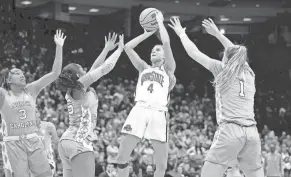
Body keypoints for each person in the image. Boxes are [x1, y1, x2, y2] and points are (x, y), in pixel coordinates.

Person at [169, 17, 264, 177]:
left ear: (226, 58)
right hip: (252, 133)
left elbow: (194, 52)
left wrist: (181, 34)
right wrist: (218, 35)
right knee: (255, 173)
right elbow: (237, 52)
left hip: (230, 130)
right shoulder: (249, 72)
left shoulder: (222, 70)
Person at [116, 11, 176, 177]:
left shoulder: (168, 70)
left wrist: (160, 23)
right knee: (121, 157)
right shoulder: (143, 67)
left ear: (165, 56)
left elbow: (165, 41)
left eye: (157, 50)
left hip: (159, 112)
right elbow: (128, 47)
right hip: (139, 109)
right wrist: (147, 33)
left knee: (162, 165)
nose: (153, 51)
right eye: (152, 50)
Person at [0, 30, 66, 177]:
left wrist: (59, 47)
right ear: (9, 80)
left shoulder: (31, 89)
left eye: (23, 73)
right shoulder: (3, 95)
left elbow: (55, 73)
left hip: (33, 140)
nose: (22, 75)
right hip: (14, 143)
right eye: (17, 73)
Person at [57, 33, 124, 177]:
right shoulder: (79, 86)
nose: (85, 69)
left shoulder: (77, 88)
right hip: (79, 141)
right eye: (81, 69)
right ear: (77, 76)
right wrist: (119, 51)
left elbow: (96, 67)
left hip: (67, 142)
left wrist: (106, 49)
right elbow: (105, 67)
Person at [35, 109, 59, 176]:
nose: (33, 114)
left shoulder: (48, 126)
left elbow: (56, 142)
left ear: (39, 114)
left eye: (36, 112)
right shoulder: (26, 130)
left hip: (47, 161)